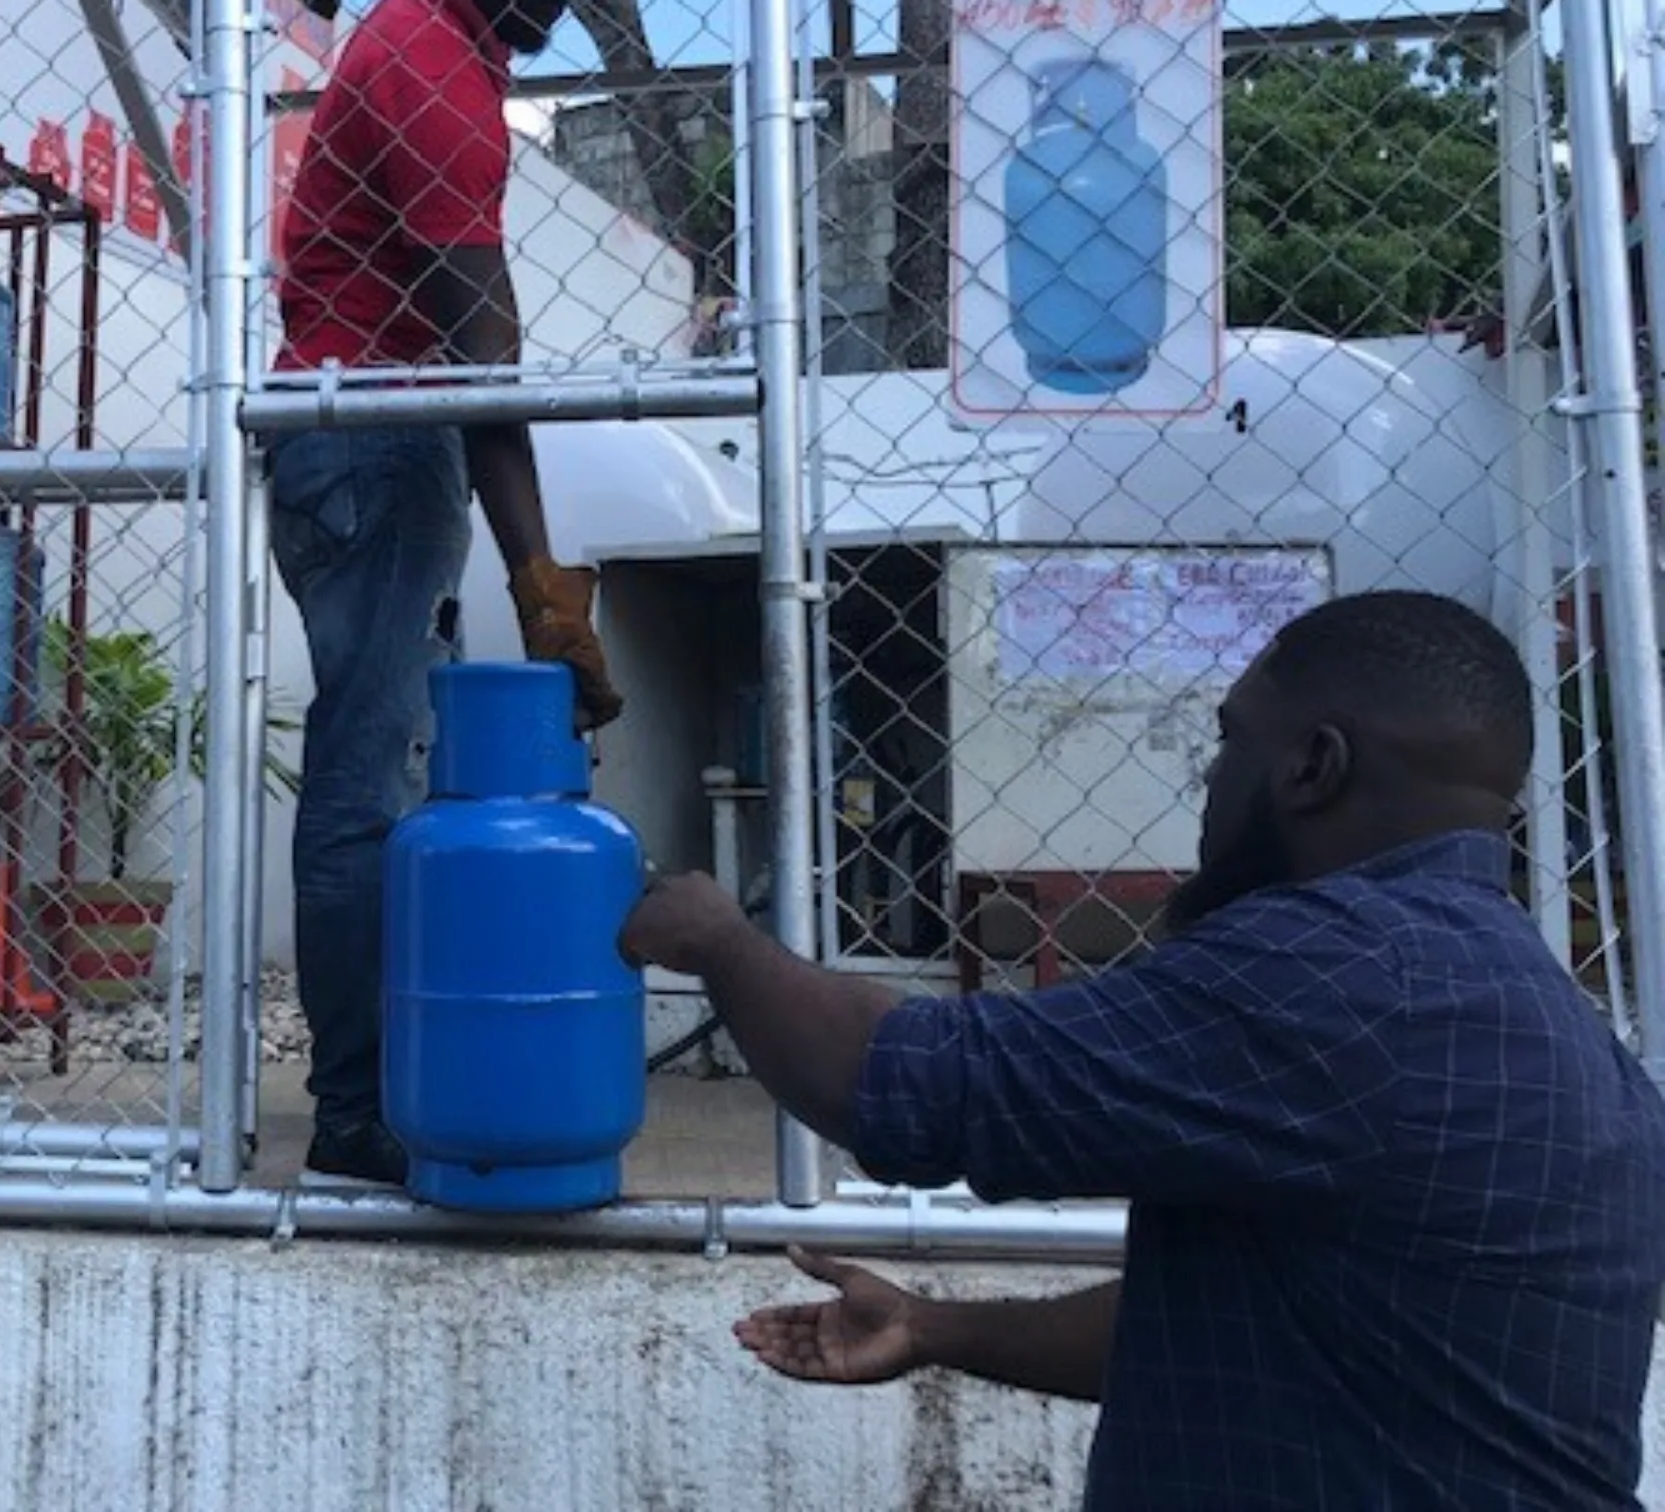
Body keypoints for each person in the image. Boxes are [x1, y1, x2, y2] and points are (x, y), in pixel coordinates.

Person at [620, 589, 1665, 1508]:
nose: (1209, 780)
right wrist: (939, 1329)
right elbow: (1246, 1330)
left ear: (1313, 766)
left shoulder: (1344, 972)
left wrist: (719, 942)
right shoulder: (1564, 1033)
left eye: (1229, 742)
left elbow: (913, 1088)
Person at [267, 0, 625, 1187]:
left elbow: (473, 371)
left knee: (396, 774)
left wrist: (546, 596)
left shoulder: (451, 59)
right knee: (366, 782)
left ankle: (385, 1087)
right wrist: (547, 594)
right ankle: (354, 1116)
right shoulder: (426, 63)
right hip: (369, 445)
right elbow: (486, 357)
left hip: (377, 438)